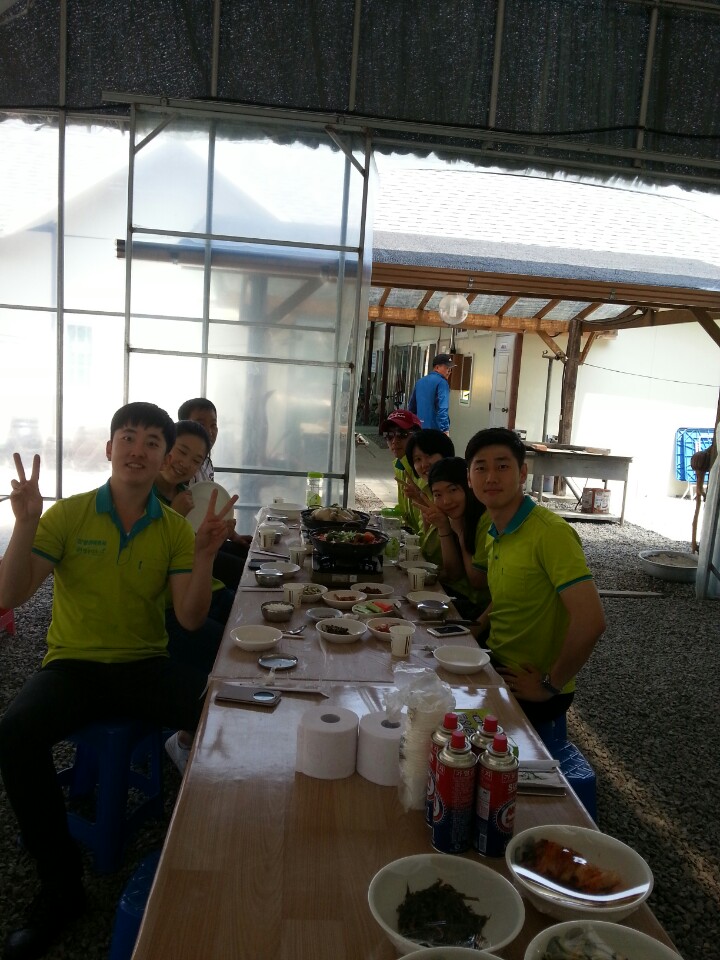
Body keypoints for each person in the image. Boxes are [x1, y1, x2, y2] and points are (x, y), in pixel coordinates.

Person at [0, 402, 236, 960]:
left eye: (152, 442)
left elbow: (189, 619)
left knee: (226, 720)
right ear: (109, 449)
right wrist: (25, 523)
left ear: (163, 458)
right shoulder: (69, 515)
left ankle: (215, 863)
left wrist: (204, 554)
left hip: (143, 665)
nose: (138, 449)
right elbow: (10, 595)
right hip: (74, 665)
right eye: (128, 437)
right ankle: (60, 886)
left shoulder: (173, 528)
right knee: (14, 733)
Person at [465, 427, 606, 729]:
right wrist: (474, 629)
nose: (491, 477)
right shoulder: (494, 529)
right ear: (469, 478)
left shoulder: (550, 533)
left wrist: (550, 684)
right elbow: (508, 595)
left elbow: (591, 621)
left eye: (503, 466)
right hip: (495, 659)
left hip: (529, 684)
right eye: (481, 468)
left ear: (522, 473)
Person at [154, 420, 235, 682]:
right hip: (167, 612)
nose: (185, 463)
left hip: (205, 591)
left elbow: (195, 555)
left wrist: (216, 539)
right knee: (235, 651)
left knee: (256, 617)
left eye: (196, 460)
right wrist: (174, 516)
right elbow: (148, 563)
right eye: (181, 451)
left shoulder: (190, 496)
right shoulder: (141, 496)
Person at [177, 397, 251, 589]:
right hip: (190, 549)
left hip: (208, 539)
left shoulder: (206, 462)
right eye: (201, 424)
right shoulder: (178, 469)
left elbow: (208, 507)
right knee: (247, 573)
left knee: (249, 557)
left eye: (213, 425)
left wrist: (232, 535)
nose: (209, 431)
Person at [421, 457, 491, 622]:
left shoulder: (486, 519)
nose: (446, 501)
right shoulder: (455, 517)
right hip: (457, 597)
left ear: (468, 485)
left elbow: (478, 581)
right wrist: (444, 527)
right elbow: (454, 574)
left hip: (479, 610)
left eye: (453, 490)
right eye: (438, 494)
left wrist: (460, 533)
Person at [378, 409, 422, 533]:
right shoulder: (399, 465)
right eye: (389, 435)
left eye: (402, 434)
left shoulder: (424, 469)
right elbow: (404, 510)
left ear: (417, 436)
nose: (394, 441)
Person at [408, 353, 454, 434]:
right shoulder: (442, 383)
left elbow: (412, 407)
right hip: (435, 430)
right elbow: (443, 408)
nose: (449, 371)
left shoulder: (420, 382)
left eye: (450, 368)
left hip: (419, 429)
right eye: (447, 368)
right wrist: (445, 430)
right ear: (437, 367)